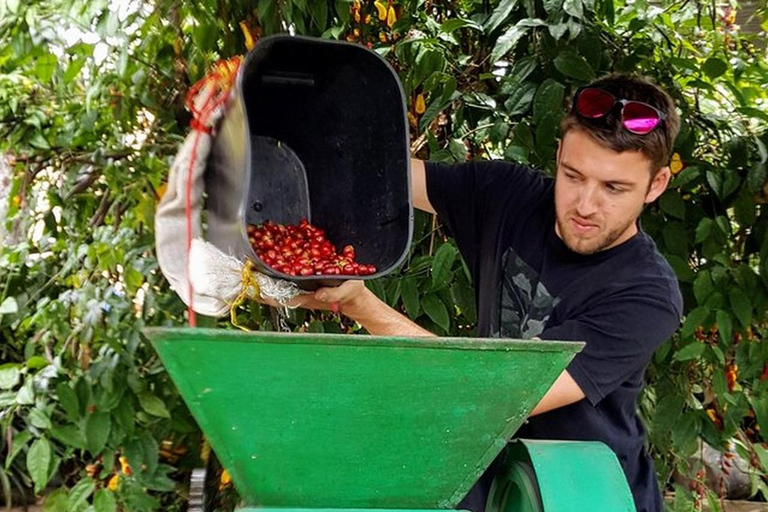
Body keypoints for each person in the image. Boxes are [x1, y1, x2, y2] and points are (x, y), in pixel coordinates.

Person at [289, 73, 682, 512]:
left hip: (582, 493)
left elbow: (493, 397)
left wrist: (360, 305)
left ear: (657, 184)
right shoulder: (507, 195)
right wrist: (269, 127)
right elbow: (374, 175)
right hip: (495, 480)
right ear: (558, 155)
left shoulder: (646, 295)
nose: (586, 205)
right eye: (573, 175)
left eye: (614, 188)